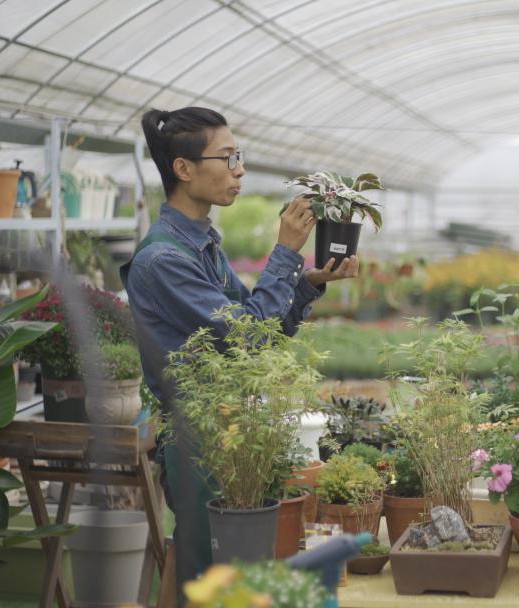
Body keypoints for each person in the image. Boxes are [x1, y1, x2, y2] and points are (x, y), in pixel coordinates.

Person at [121, 106, 358, 597]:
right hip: (197, 441)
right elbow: (248, 337)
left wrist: (308, 281)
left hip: (226, 433)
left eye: (239, 156)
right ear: (184, 170)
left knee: (222, 579)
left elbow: (258, 330)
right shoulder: (164, 260)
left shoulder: (202, 244)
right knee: (210, 577)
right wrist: (286, 253)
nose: (240, 169)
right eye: (227, 158)